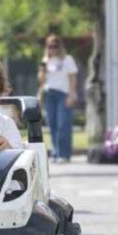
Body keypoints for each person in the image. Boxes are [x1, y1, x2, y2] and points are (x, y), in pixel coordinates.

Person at [37, 35, 78, 163]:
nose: (53, 49)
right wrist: (44, 65)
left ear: (60, 46)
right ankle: (56, 153)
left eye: (55, 46)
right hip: (50, 94)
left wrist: (71, 95)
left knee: (63, 124)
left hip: (63, 94)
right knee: (52, 124)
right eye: (50, 46)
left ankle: (64, 154)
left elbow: (72, 78)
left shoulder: (68, 59)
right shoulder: (45, 61)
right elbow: (41, 80)